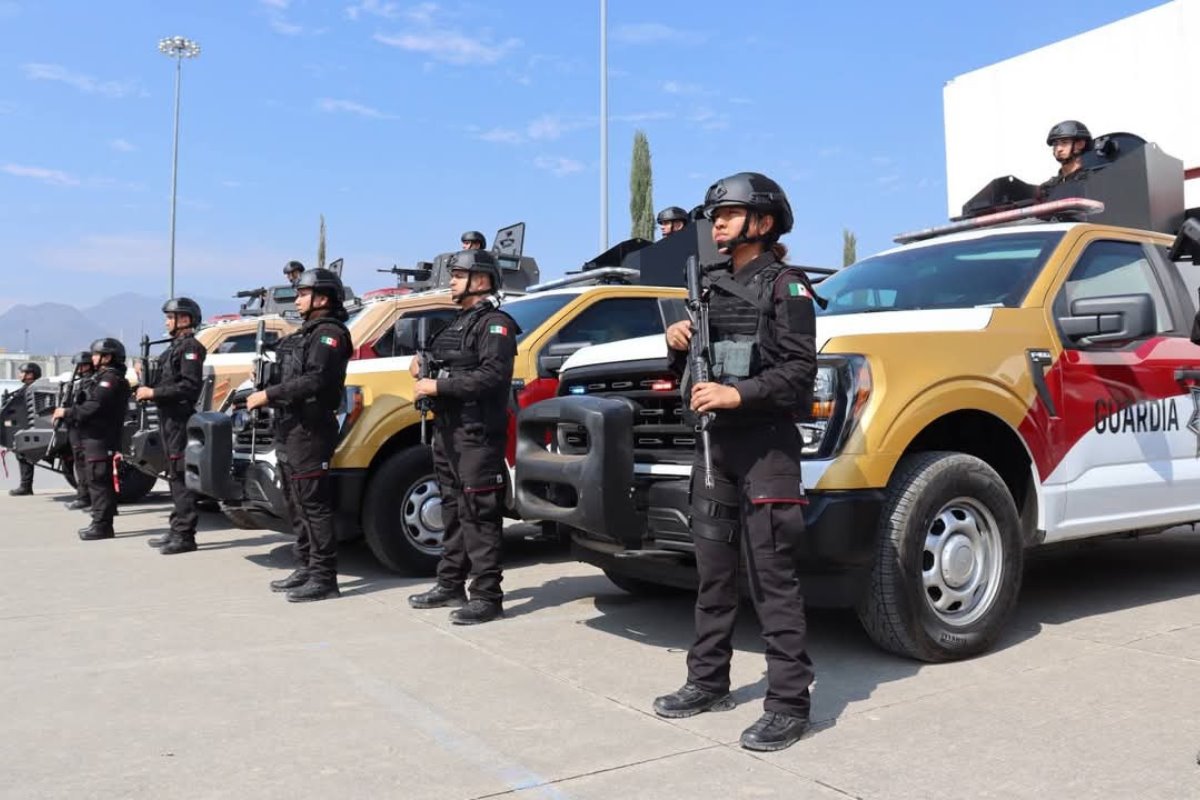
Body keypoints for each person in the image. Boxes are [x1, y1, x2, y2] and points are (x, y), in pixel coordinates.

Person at [656, 171, 819, 752]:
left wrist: (738, 395)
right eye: (714, 214)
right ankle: (708, 681)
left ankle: (789, 703)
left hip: (766, 449)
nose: (716, 223)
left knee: (773, 578)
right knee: (713, 575)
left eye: (728, 213)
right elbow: (697, 374)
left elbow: (801, 372)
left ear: (763, 222)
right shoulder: (707, 286)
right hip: (713, 448)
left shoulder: (785, 287)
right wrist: (679, 343)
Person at [407, 249, 519, 625]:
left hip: (476, 434)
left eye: (458, 274)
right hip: (447, 429)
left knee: (479, 514)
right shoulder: (457, 323)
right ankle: (450, 582)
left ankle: (487, 596)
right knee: (453, 509)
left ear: (481, 281)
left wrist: (438, 385)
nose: (452, 281)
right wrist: (421, 366)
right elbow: (441, 362)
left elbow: (491, 377)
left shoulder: (496, 324)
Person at [246, 268, 351, 602]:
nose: (298, 298)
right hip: (290, 427)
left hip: (311, 428)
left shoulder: (329, 334)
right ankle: (306, 565)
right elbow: (291, 374)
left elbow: (315, 380)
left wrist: (269, 395)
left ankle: (324, 577)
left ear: (322, 298)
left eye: (304, 293)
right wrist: (264, 377)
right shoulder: (302, 335)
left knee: (314, 504)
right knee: (296, 502)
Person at [136, 298, 207, 555]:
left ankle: (185, 534)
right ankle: (177, 527)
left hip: (179, 417)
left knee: (180, 474)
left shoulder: (190, 348)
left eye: (171, 317)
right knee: (173, 474)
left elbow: (189, 386)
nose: (166, 322)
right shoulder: (174, 347)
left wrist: (153, 392)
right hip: (168, 418)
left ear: (185, 319)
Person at [53, 339, 131, 540]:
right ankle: (102, 520)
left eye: (97, 354)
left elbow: (93, 408)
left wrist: (66, 412)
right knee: (98, 480)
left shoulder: (110, 380)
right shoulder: (103, 378)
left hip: (100, 437)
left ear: (108, 357)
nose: (93, 358)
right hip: (95, 437)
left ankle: (102, 525)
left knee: (99, 481)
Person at [65, 351, 96, 510]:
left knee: (86, 465)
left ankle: (86, 497)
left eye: (80, 365)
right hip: (76, 426)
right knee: (80, 463)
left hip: (85, 428)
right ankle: (84, 496)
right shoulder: (82, 382)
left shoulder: (91, 382)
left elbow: (86, 406)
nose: (78, 369)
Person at [7, 362, 42, 496]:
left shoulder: (33, 388)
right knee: (22, 454)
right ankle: (25, 485)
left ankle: (26, 486)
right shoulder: (27, 388)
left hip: (30, 427)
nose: (20, 374)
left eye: (23, 372)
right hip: (26, 425)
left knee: (23, 454)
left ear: (31, 374)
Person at [1040, 120, 1092, 194]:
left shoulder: (1092, 180)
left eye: (1064, 142)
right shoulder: (1048, 187)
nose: (1058, 149)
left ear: (1080, 144)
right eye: (1055, 144)